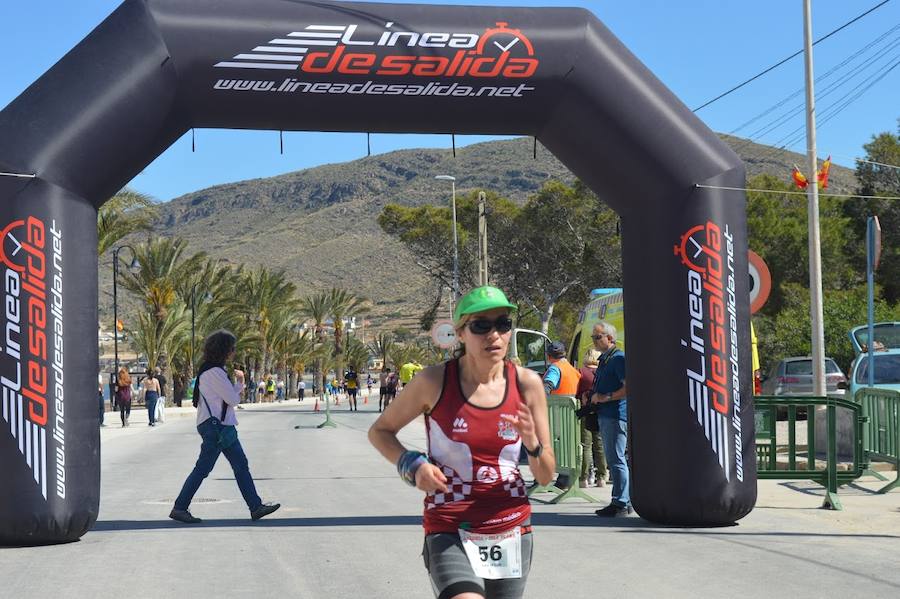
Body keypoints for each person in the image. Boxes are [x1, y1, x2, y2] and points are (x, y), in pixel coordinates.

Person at [369, 286, 555, 599]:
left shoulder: (527, 384)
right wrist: (412, 466)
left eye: (503, 324)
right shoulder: (433, 381)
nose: (494, 335)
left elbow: (546, 476)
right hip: (450, 526)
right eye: (481, 325)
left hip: (510, 529)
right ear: (460, 333)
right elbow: (380, 431)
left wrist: (533, 444)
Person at [170, 330, 280, 524]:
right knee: (204, 469)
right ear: (224, 350)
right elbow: (232, 399)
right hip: (218, 429)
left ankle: (255, 506)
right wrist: (240, 383)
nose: (233, 352)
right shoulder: (215, 373)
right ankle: (179, 507)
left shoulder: (209, 370)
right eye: (232, 348)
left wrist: (237, 384)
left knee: (240, 466)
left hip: (220, 427)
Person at [589, 322, 630, 517]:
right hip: (606, 415)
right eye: (593, 337)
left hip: (615, 415)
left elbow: (628, 387)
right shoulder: (606, 359)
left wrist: (605, 397)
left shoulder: (618, 358)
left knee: (616, 459)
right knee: (614, 459)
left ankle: (621, 502)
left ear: (610, 338)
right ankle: (621, 500)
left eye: (598, 337)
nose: (594, 341)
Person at [575, 349, 606, 488]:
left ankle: (584, 478)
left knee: (586, 446)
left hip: (586, 411)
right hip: (600, 411)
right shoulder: (602, 372)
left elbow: (576, 391)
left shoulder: (581, 372)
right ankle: (602, 477)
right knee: (600, 446)